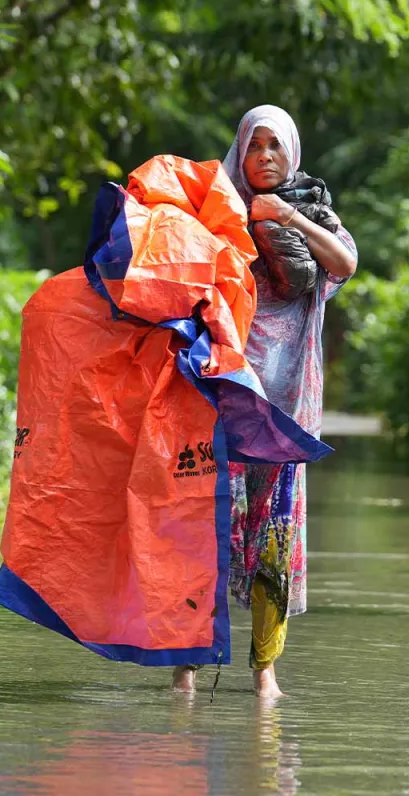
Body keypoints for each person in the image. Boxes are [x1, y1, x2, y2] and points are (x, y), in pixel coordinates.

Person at [173, 105, 357, 697]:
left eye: (277, 146)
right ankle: (187, 664)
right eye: (256, 147)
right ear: (240, 154)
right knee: (207, 530)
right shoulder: (215, 215)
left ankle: (264, 671)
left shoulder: (315, 211)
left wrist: (285, 220)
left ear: (294, 153)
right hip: (223, 398)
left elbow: (346, 263)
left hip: (285, 409)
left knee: (272, 535)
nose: (267, 157)